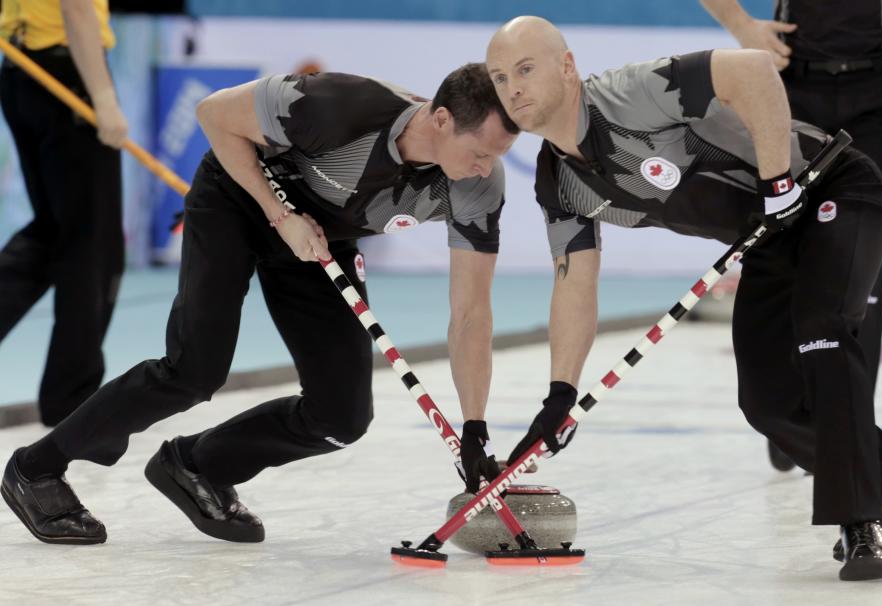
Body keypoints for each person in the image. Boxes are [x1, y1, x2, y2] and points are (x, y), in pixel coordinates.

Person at [486, 16, 882, 581]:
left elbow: (752, 70)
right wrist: (560, 394)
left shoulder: (630, 93)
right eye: (500, 77)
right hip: (770, 237)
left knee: (822, 330)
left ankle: (863, 523)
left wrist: (778, 183)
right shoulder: (558, 183)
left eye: (526, 69)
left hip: (833, 188)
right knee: (767, 401)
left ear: (567, 66)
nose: (513, 87)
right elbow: (574, 282)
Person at [2, 62, 517, 546]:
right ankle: (36, 468)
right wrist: (278, 214)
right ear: (442, 119)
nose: (485, 169)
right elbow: (212, 114)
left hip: (319, 240)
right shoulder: (342, 106)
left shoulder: (476, 187)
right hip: (239, 200)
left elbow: (472, 313)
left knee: (341, 418)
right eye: (481, 152)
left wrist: (475, 429)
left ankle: (197, 466)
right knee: (193, 370)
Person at [699, 0, 882, 472]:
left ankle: (844, 427)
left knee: (865, 247)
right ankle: (791, 410)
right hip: (793, 81)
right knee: (787, 238)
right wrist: (740, 23)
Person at [0, 0, 127, 426]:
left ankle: (68, 399)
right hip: (67, 72)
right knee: (94, 247)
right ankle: (71, 405)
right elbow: (75, 7)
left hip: (20, 71)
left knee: (54, 234)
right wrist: (104, 98)